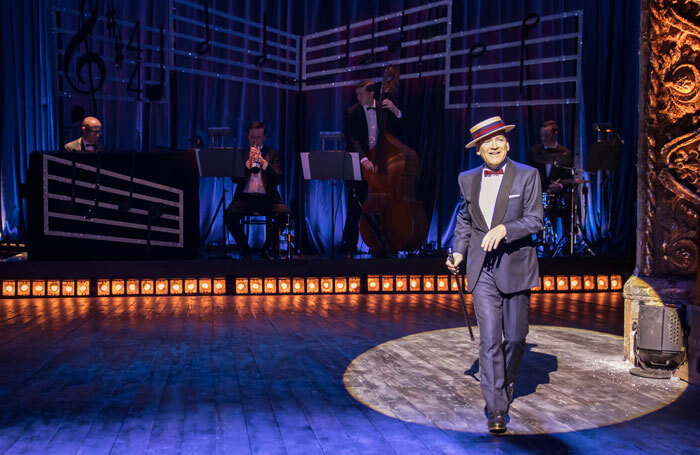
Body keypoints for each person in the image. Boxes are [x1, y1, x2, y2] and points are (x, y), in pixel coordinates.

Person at [446, 116, 543, 434]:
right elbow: (464, 219)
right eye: (487, 142)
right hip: (481, 270)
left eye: (499, 139)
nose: (494, 145)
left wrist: (505, 229)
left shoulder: (528, 176)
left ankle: (505, 384)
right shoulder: (467, 179)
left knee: (514, 338)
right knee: (489, 340)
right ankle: (496, 407)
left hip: (515, 266)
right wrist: (458, 250)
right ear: (478, 150)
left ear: (507, 143)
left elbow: (535, 221)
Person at [340, 80, 402, 258]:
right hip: (362, 164)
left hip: (384, 164)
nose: (358, 97)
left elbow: (401, 129)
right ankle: (349, 247)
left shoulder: (384, 109)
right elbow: (353, 140)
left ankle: (387, 243)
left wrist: (396, 111)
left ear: (372, 94)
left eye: (361, 94)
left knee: (386, 205)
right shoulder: (351, 112)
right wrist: (364, 159)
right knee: (355, 206)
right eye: (357, 94)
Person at [223, 121, 291, 259]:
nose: (255, 140)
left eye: (258, 137)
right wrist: (247, 164)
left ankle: (267, 248)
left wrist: (264, 164)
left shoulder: (272, 154)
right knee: (229, 215)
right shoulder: (241, 153)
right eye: (253, 137)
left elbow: (278, 179)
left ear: (264, 137)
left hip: (267, 199)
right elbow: (235, 179)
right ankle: (244, 247)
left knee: (285, 213)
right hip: (245, 198)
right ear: (247, 136)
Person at [529, 120, 574, 235]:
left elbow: (570, 177)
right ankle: (541, 242)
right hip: (540, 192)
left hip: (559, 193)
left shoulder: (566, 153)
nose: (543, 138)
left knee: (569, 203)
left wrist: (560, 185)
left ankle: (567, 242)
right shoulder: (534, 152)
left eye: (547, 135)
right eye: (542, 135)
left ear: (555, 133)